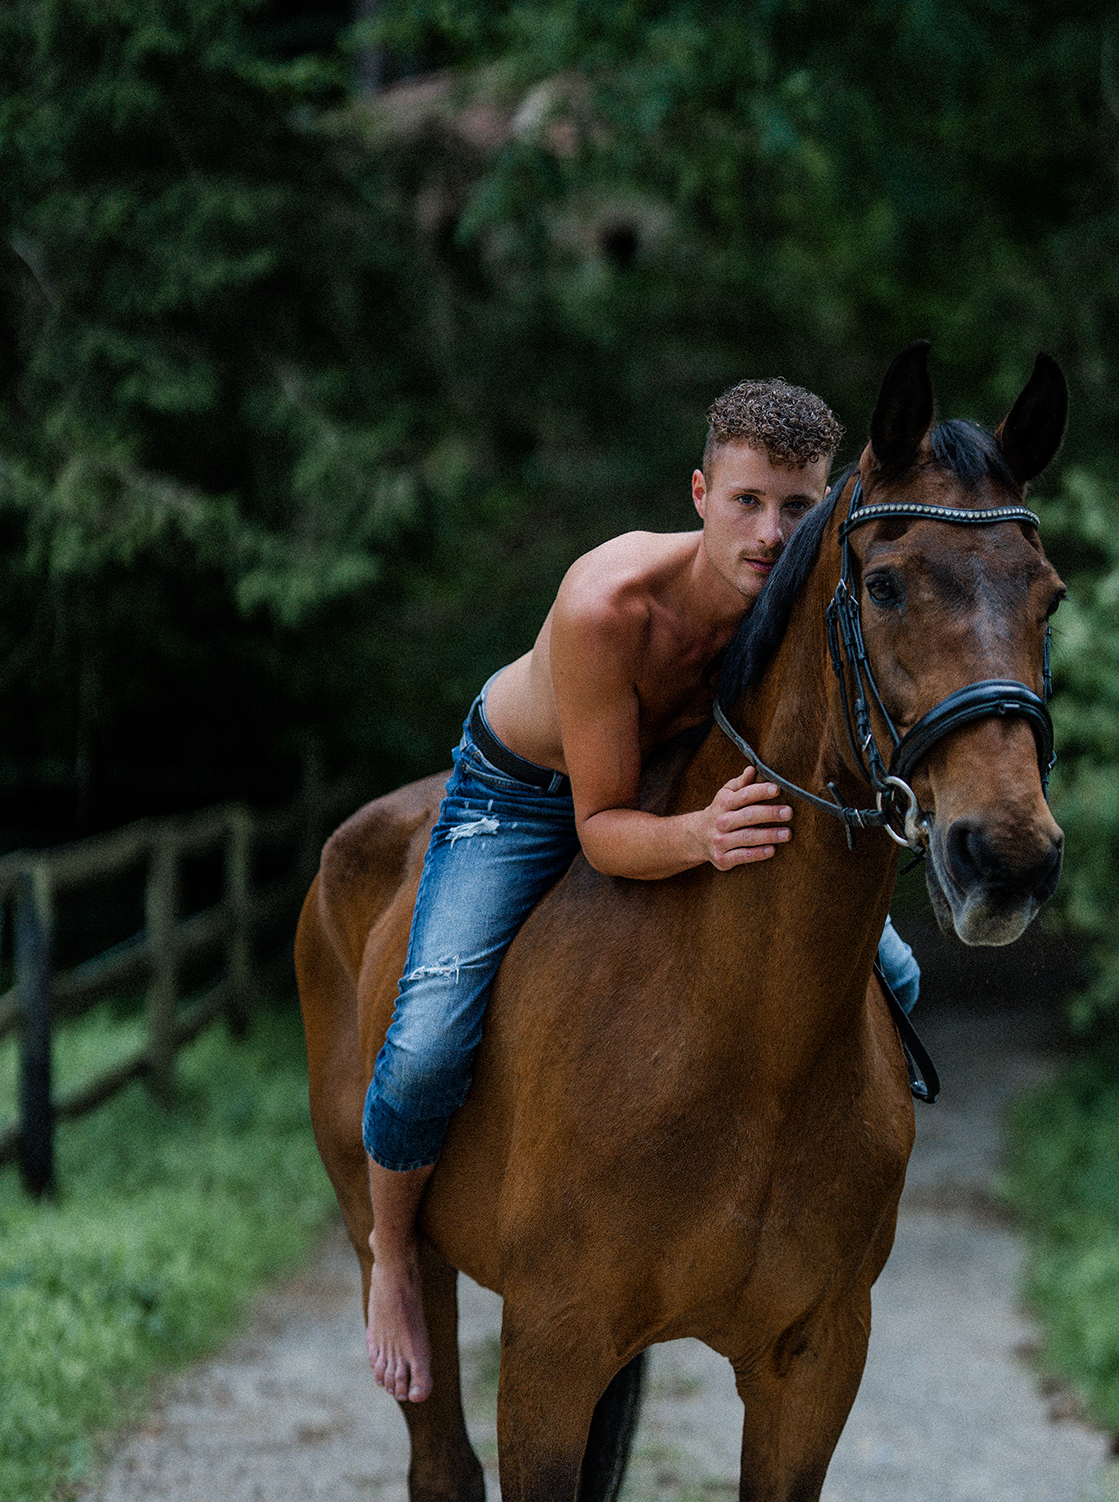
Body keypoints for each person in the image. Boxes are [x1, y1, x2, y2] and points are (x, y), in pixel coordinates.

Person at [362, 379, 921, 1403]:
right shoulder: (608, 607)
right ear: (700, 494)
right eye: (746, 501)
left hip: (681, 775)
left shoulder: (806, 595)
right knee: (427, 1041)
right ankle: (391, 1253)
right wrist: (702, 836)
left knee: (901, 977)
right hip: (529, 794)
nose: (770, 534)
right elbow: (602, 831)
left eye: (797, 508)